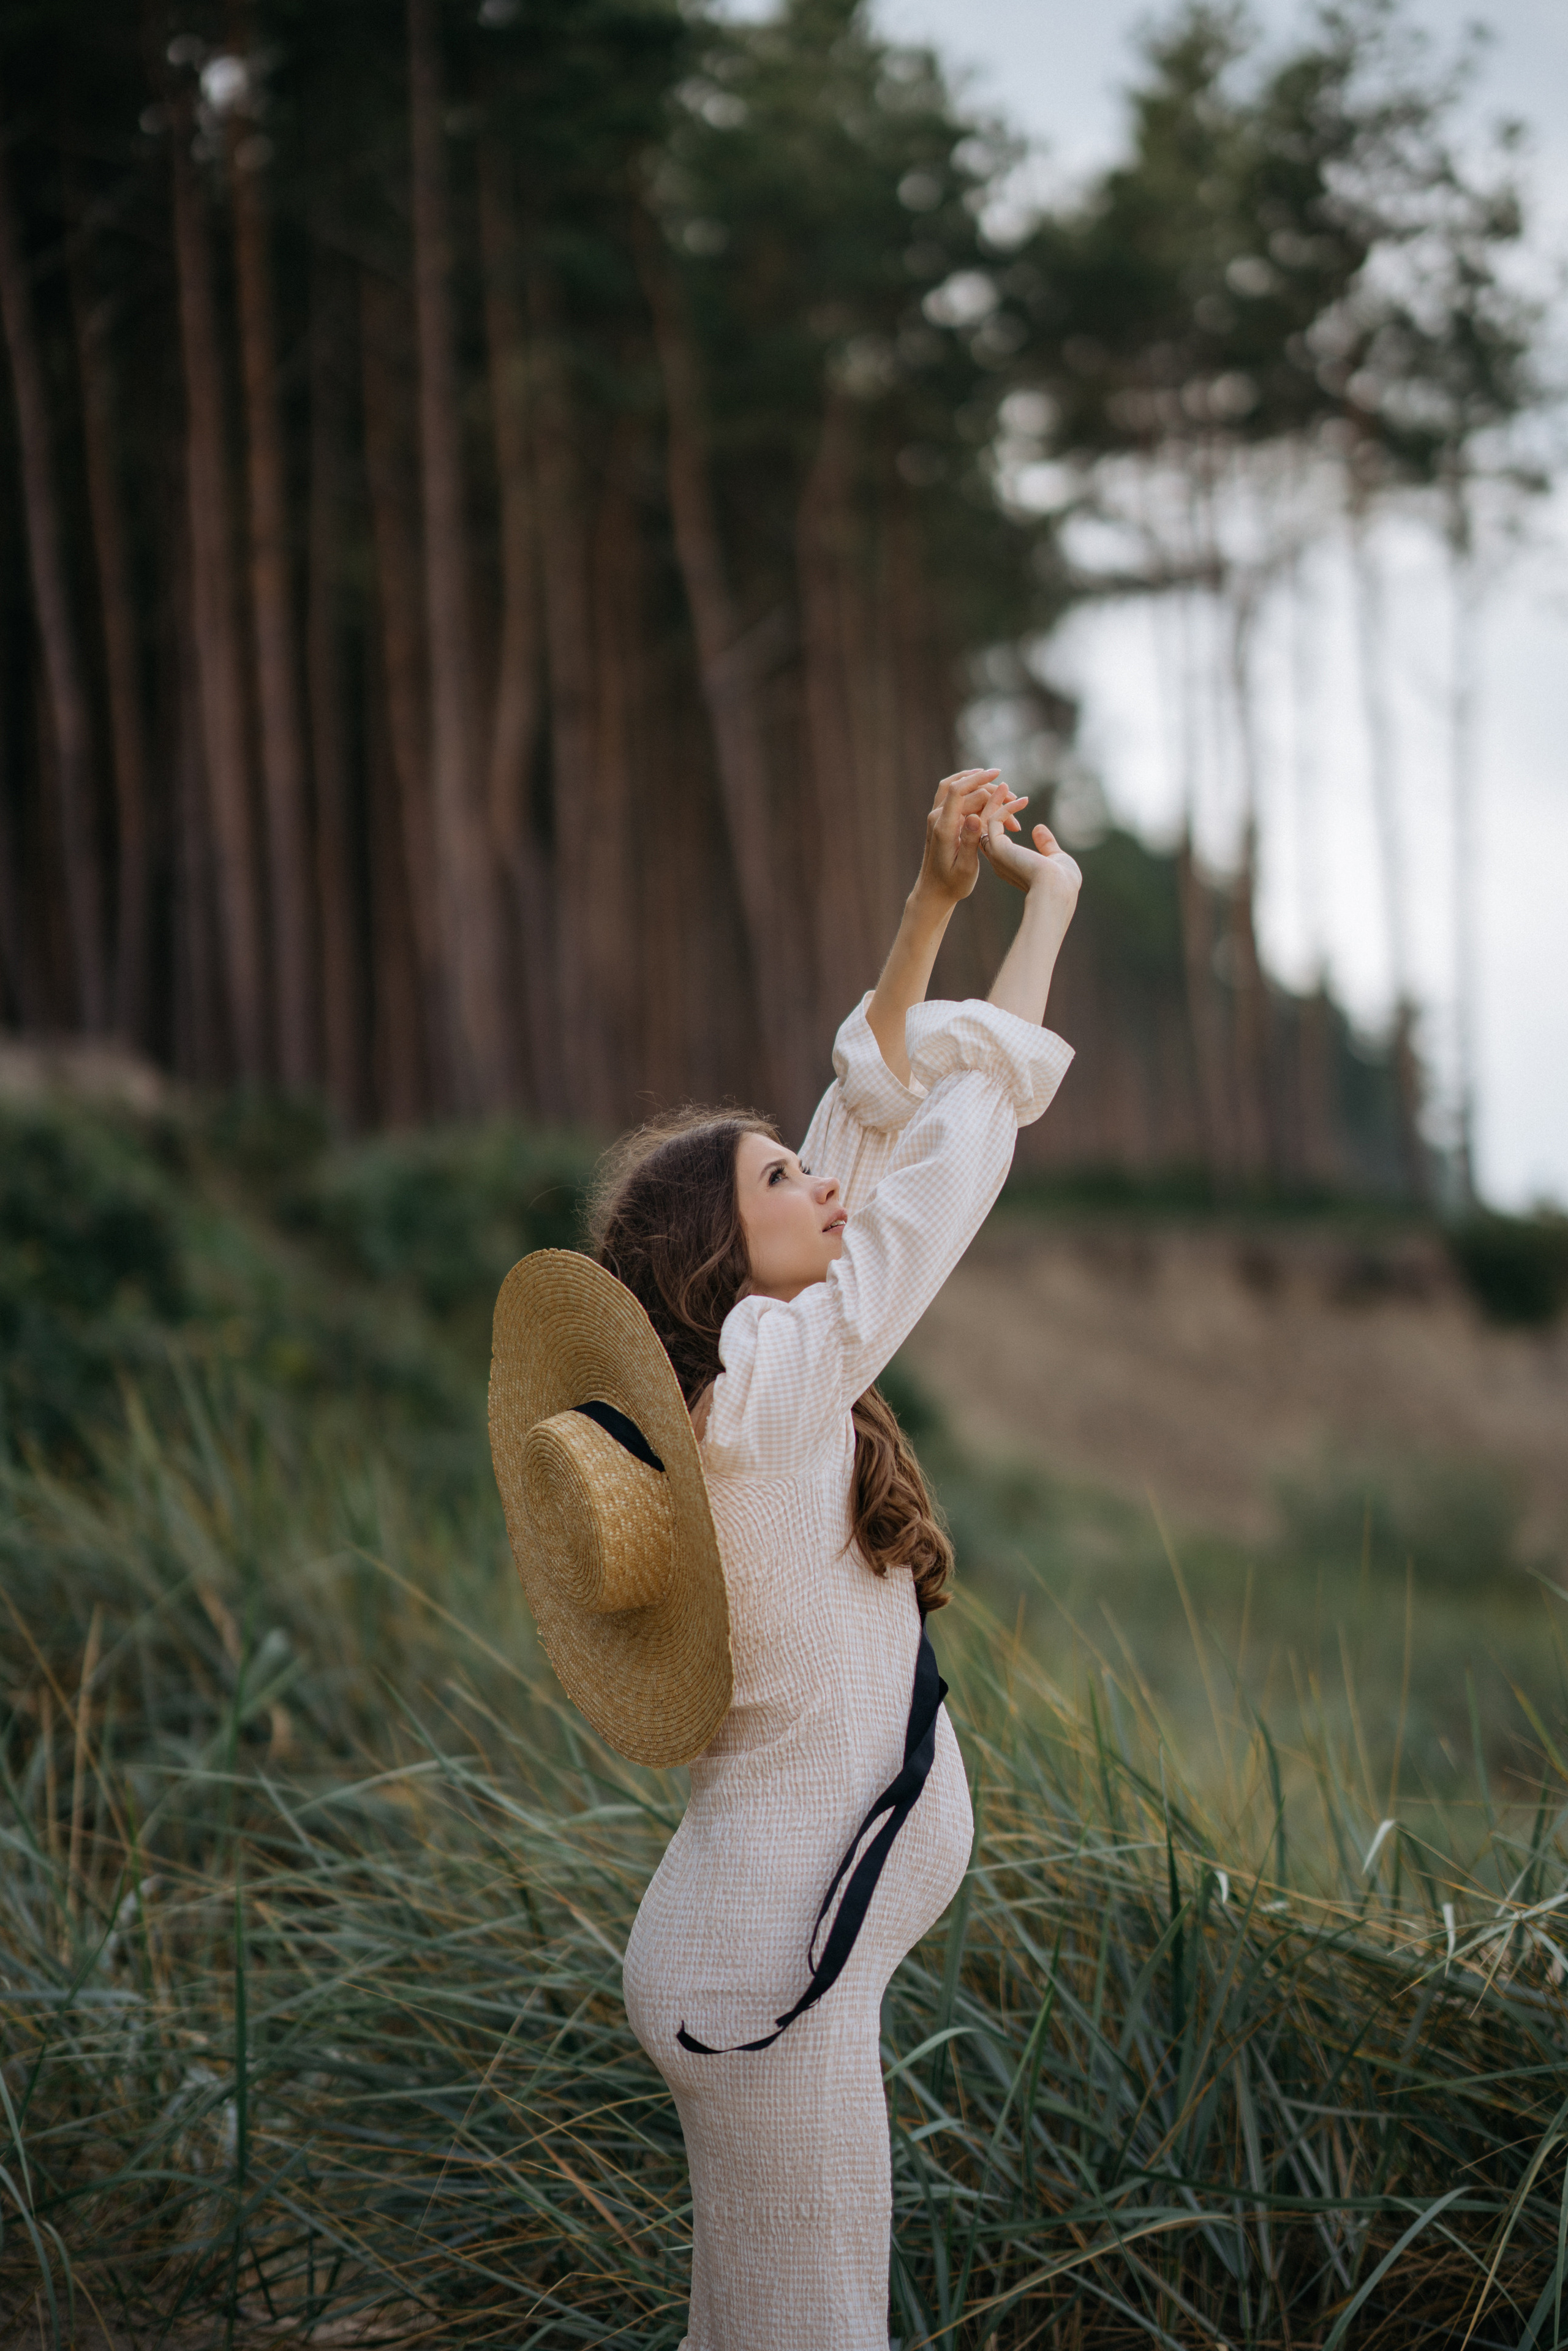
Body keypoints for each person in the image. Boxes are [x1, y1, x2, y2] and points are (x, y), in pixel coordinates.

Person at [586, 770, 1080, 2351]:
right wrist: (1046, 915)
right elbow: (946, 1155)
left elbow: (855, 1110)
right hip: (769, 1988)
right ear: (728, 1263)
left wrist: (938, 900)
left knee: (748, 2333)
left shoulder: (740, 1382)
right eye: (779, 1187)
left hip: (746, 1962)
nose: (818, 1182)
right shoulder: (779, 1392)